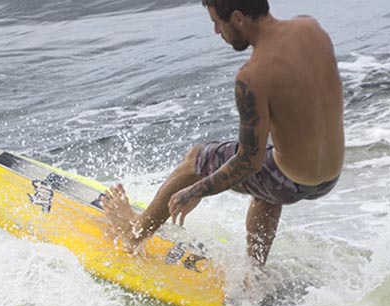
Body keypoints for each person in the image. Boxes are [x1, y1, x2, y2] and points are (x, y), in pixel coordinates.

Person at [102, 0, 344, 269]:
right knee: (269, 171)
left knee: (197, 158)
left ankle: (135, 233)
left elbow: (247, 162)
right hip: (329, 176)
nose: (217, 31)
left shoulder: (252, 76)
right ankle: (254, 274)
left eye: (217, 22)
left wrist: (194, 191)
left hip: (288, 181)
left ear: (238, 18)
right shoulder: (311, 30)